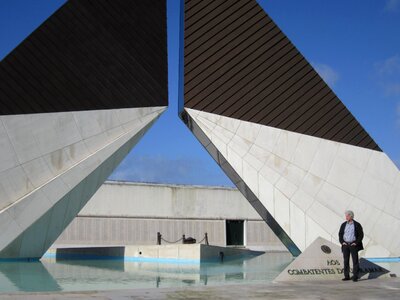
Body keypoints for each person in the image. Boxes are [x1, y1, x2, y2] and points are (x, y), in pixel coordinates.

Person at [338, 210, 364, 282]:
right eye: (346, 216)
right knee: (346, 261)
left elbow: (361, 235)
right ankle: (346, 276)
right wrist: (342, 242)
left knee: (355, 261)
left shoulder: (357, 224)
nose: (346, 217)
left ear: (351, 216)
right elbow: (340, 234)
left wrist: (356, 242)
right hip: (345, 245)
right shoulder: (343, 224)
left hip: (353, 245)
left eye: (347, 216)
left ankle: (355, 276)